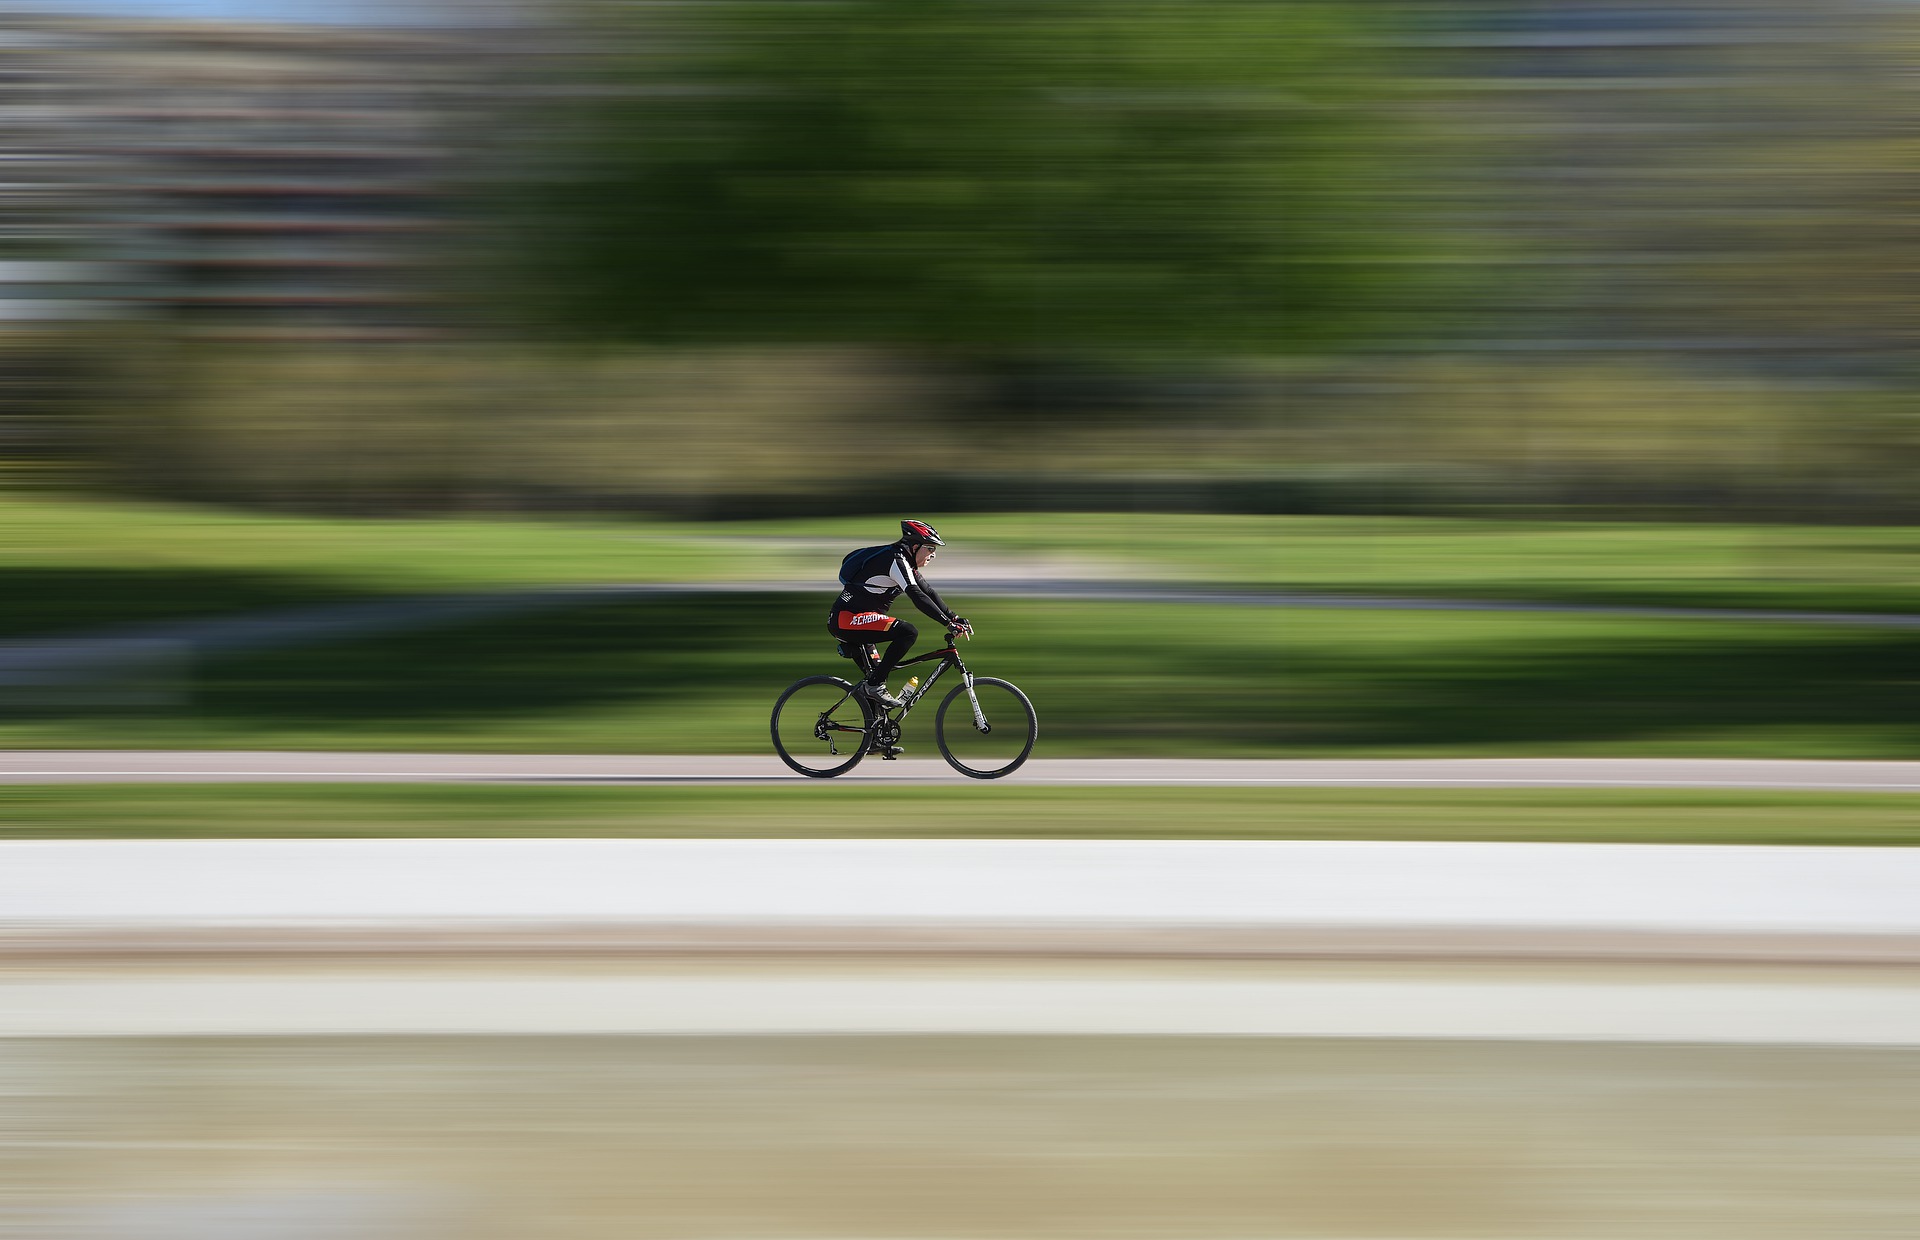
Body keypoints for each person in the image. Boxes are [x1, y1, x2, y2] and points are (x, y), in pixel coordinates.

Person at [829, 520, 972, 708]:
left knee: (876, 697)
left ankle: (875, 731)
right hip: (847, 620)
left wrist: (953, 617)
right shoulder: (896, 560)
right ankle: (874, 686)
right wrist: (947, 624)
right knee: (908, 632)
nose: (933, 555)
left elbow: (928, 591)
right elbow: (917, 596)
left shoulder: (905, 563)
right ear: (915, 546)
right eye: (930, 548)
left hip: (858, 621)